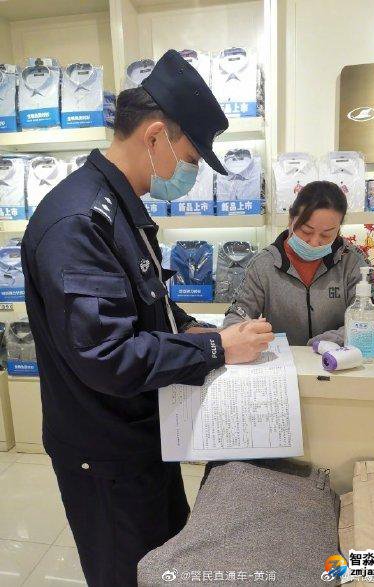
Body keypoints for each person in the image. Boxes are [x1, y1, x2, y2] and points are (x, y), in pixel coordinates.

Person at [21, 50, 273, 587]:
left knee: (166, 565)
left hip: (142, 436)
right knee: (129, 574)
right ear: (156, 136)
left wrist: (195, 329)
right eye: (191, 157)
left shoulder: (120, 208)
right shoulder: (79, 222)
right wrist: (216, 349)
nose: (191, 173)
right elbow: (106, 356)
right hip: (105, 453)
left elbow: (146, 300)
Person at [223, 180, 374, 345]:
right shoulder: (263, 264)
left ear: (338, 229)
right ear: (291, 219)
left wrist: (329, 342)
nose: (314, 242)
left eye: (326, 235)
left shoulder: (353, 262)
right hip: (281, 358)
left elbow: (372, 321)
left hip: (339, 357)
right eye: (306, 231)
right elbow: (237, 316)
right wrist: (239, 334)